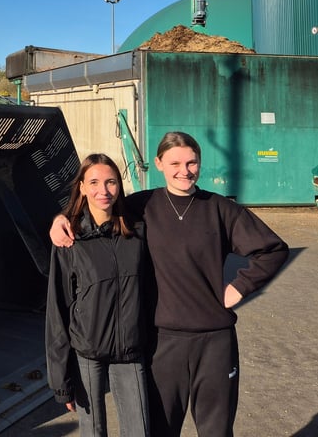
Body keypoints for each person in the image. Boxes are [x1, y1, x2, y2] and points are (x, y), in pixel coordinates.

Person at [52, 132, 289, 437]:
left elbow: (273, 249)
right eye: (175, 162)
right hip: (162, 343)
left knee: (217, 430)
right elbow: (98, 204)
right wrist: (61, 218)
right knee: (161, 430)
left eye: (192, 162)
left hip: (215, 341)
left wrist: (239, 288)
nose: (184, 170)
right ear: (159, 163)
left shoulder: (220, 209)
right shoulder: (143, 205)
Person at [45, 153, 151, 437]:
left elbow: (168, 194)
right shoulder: (70, 238)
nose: (103, 191)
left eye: (111, 182)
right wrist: (61, 379)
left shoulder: (138, 230)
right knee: (93, 432)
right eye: (93, 182)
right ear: (81, 187)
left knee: (139, 431)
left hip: (130, 352)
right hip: (86, 355)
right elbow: (58, 308)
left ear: (119, 186)